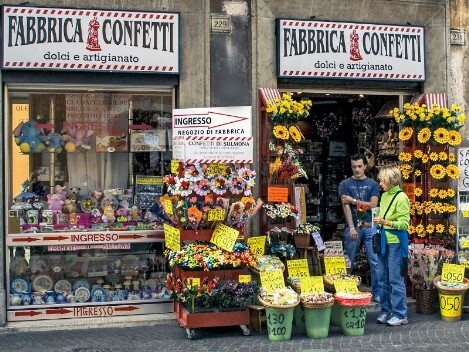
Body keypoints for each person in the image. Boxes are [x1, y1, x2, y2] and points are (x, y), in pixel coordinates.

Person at [338, 153, 380, 302]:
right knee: (348, 259)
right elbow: (346, 208)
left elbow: (373, 205)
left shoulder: (373, 184)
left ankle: (377, 293)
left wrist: (354, 200)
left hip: (370, 226)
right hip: (354, 226)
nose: (357, 169)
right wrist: (351, 228)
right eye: (354, 166)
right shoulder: (345, 184)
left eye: (359, 166)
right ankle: (345, 291)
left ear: (365, 166)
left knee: (374, 261)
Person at [373, 166, 410, 326]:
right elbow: (382, 214)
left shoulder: (402, 198)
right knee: (382, 278)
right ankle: (386, 310)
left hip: (395, 242)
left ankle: (400, 314)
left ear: (391, 181)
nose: (380, 183)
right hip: (383, 240)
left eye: (383, 180)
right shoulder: (385, 195)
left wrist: (385, 221)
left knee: (395, 279)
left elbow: (404, 223)